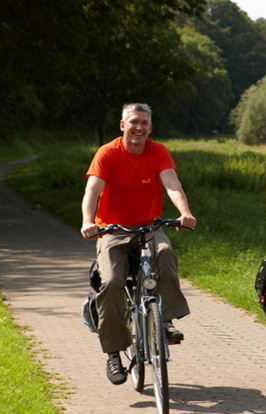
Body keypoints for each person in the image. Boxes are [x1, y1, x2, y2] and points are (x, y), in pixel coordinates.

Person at [80, 103, 196, 385]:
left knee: (165, 252)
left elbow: (172, 185)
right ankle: (113, 352)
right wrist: (87, 221)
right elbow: (92, 189)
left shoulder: (158, 151)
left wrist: (185, 212)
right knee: (111, 282)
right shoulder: (108, 152)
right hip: (112, 230)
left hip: (149, 226)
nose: (139, 127)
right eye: (133, 122)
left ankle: (164, 320)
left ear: (150, 128)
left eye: (144, 123)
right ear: (123, 125)